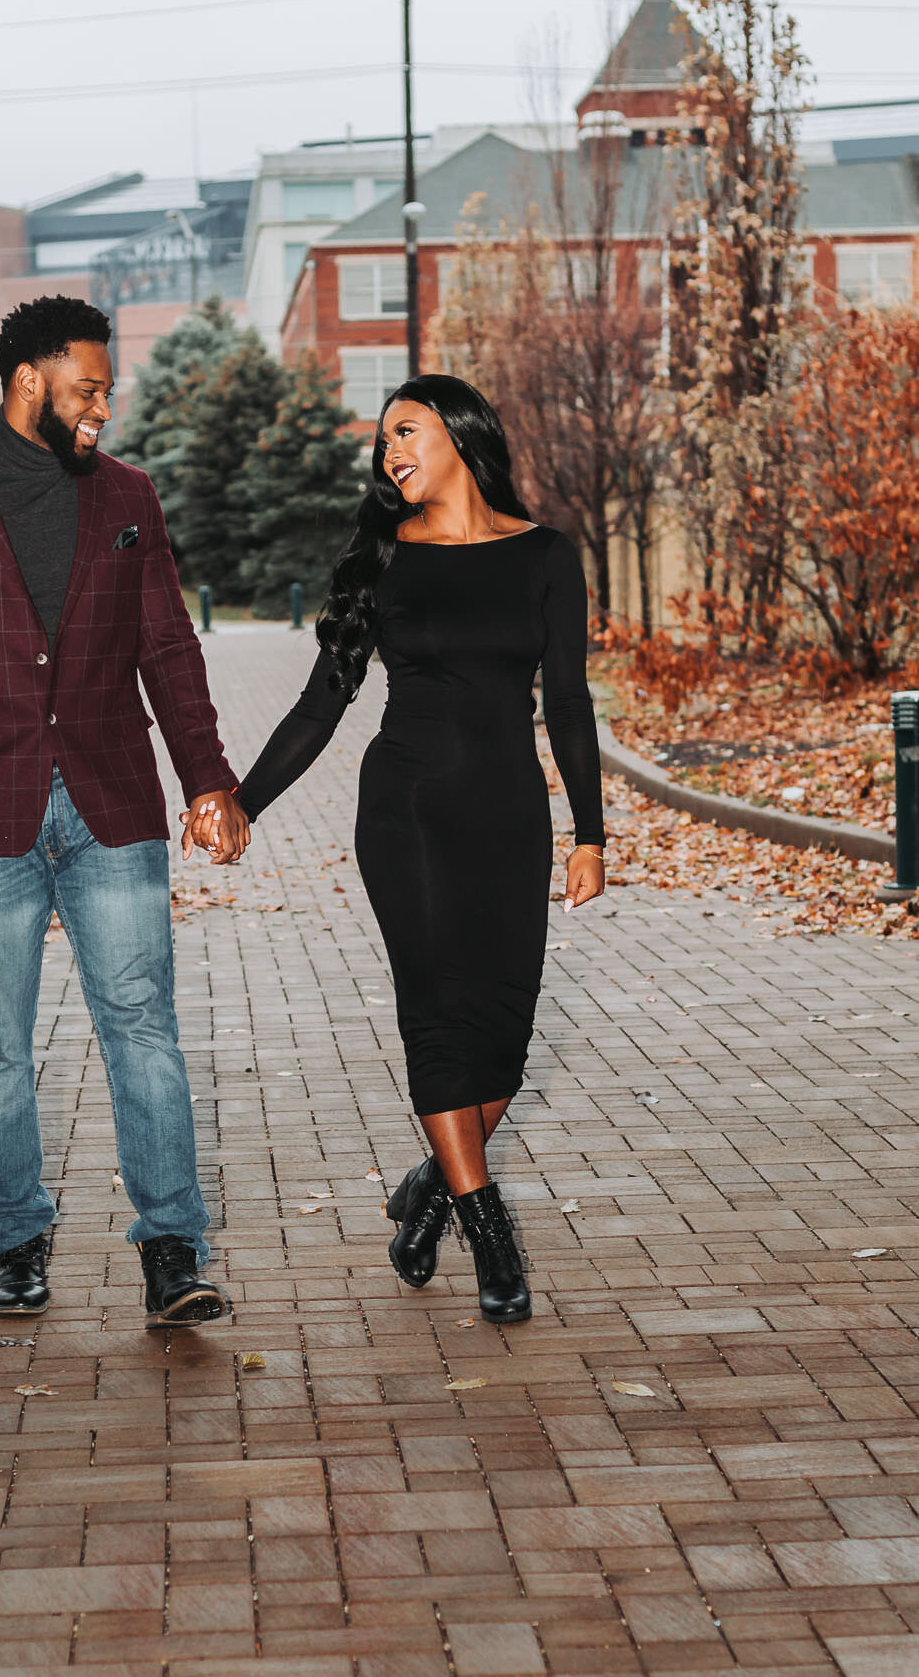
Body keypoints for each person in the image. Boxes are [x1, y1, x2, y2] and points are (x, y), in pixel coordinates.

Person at [0, 295, 249, 1325]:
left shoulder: (126, 494)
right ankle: (16, 1242)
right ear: (27, 380)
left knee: (144, 1028)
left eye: (107, 391)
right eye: (87, 389)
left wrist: (208, 777)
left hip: (110, 800)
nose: (101, 411)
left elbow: (167, 644)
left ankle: (173, 1248)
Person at [198, 375, 605, 1324]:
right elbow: (320, 701)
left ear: (461, 436)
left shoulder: (546, 555)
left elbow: (572, 705)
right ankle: (488, 1229)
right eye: (381, 443)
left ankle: (427, 1191)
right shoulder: (382, 559)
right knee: (436, 1013)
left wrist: (590, 833)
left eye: (404, 433)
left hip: (510, 813)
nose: (388, 454)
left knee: (501, 1034)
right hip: (407, 812)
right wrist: (243, 800)